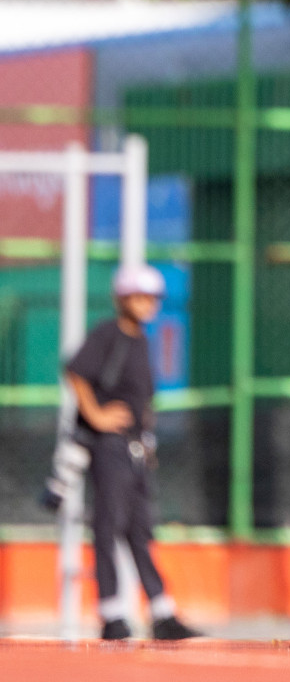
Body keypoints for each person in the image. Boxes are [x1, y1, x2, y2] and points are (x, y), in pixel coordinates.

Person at [65, 264, 199, 641]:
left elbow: (143, 399)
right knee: (108, 526)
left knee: (140, 529)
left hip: (136, 450)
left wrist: (148, 441)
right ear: (123, 298)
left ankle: (161, 612)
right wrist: (96, 415)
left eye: (154, 298)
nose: (149, 304)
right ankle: (111, 614)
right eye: (140, 297)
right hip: (109, 447)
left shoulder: (140, 338)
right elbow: (76, 371)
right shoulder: (110, 334)